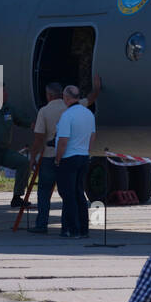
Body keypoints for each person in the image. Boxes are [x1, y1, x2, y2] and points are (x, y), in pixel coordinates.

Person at [27, 76, 101, 234]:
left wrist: (34, 156)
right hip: (80, 156)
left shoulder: (46, 111)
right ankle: (72, 227)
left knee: (46, 191)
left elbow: (41, 138)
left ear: (49, 95)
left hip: (53, 156)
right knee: (73, 193)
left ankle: (43, 225)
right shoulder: (83, 109)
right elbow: (91, 99)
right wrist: (97, 87)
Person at [0, 84, 29, 232]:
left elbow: (24, 121)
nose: (6, 94)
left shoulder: (9, 108)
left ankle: (17, 197)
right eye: (3, 92)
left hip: (4, 150)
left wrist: (38, 125)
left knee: (23, 163)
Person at [54, 86, 95, 238]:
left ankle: (72, 228)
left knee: (68, 195)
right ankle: (84, 228)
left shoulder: (67, 115)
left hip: (69, 158)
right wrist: (87, 152)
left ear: (66, 98)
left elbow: (63, 141)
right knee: (79, 193)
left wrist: (58, 159)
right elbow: (92, 137)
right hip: (83, 157)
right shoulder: (89, 114)